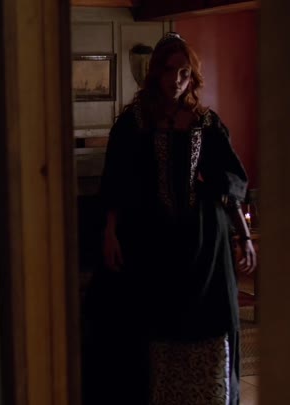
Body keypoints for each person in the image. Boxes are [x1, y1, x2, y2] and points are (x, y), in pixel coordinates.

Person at [97, 32, 256, 405]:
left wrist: (244, 236)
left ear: (192, 76)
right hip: (148, 238)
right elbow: (116, 180)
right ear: (157, 72)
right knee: (150, 324)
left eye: (184, 73)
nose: (177, 80)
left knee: (208, 321)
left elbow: (229, 179)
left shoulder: (205, 121)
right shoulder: (134, 122)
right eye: (170, 70)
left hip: (202, 239)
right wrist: (110, 232)